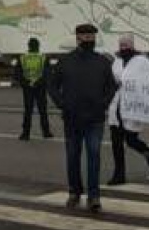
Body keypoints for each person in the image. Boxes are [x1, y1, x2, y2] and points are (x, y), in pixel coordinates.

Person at [48, 24, 117, 213]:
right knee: (73, 156)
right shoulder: (66, 61)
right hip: (72, 118)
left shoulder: (102, 62)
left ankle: (94, 196)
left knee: (94, 156)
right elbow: (52, 86)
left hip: (95, 119)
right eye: (85, 36)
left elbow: (112, 86)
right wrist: (62, 104)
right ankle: (74, 192)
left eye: (91, 36)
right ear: (78, 38)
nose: (89, 39)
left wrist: (103, 104)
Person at [106, 34, 149, 186]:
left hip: (133, 106)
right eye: (122, 44)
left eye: (127, 44)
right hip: (117, 105)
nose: (124, 47)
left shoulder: (142, 61)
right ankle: (119, 174)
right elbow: (112, 79)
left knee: (131, 140)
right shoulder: (117, 61)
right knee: (116, 143)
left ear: (132, 45)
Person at [16, 37, 52, 141]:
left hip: (28, 88)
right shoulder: (43, 57)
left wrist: (26, 83)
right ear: (38, 46)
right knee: (43, 110)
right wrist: (39, 82)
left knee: (28, 110)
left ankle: (25, 134)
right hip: (40, 87)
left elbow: (17, 74)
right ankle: (46, 132)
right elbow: (47, 74)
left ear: (28, 46)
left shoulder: (22, 58)